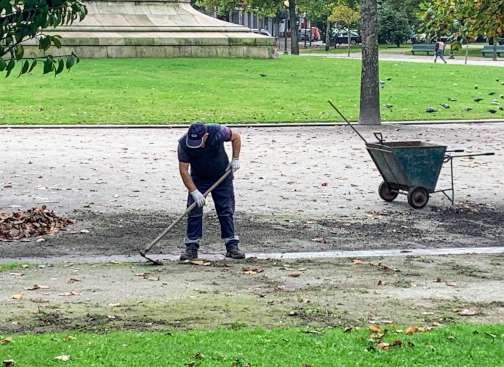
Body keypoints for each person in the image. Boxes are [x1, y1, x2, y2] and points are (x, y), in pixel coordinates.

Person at [177, 122, 244, 261]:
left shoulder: (218, 131)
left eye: (199, 141)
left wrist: (235, 159)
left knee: (226, 209)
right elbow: (183, 170)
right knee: (194, 209)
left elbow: (236, 137)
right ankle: (191, 247)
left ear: (206, 136)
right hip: (199, 179)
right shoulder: (184, 144)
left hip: (222, 176)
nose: (196, 145)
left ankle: (231, 245)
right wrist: (194, 191)